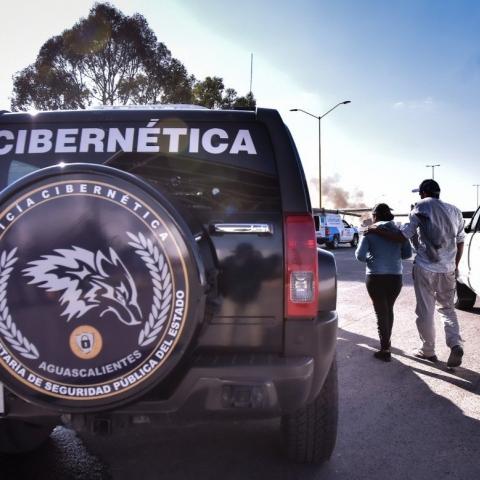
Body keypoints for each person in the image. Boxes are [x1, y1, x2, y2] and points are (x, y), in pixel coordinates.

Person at [367, 179, 465, 367]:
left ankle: (428, 351)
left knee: (426, 310)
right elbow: (460, 242)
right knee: (448, 309)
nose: (419, 196)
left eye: (420, 193)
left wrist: (376, 230)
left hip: (425, 268)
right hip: (448, 269)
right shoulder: (455, 210)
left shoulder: (421, 207)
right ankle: (455, 344)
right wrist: (454, 265)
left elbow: (401, 236)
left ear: (424, 193)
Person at [356, 203, 412, 361]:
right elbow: (407, 254)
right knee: (389, 309)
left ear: (375, 216)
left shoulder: (369, 232)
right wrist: (392, 255)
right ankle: (387, 343)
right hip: (395, 278)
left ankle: (385, 349)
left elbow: (360, 256)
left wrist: (372, 258)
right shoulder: (399, 233)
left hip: (376, 277)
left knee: (381, 312)